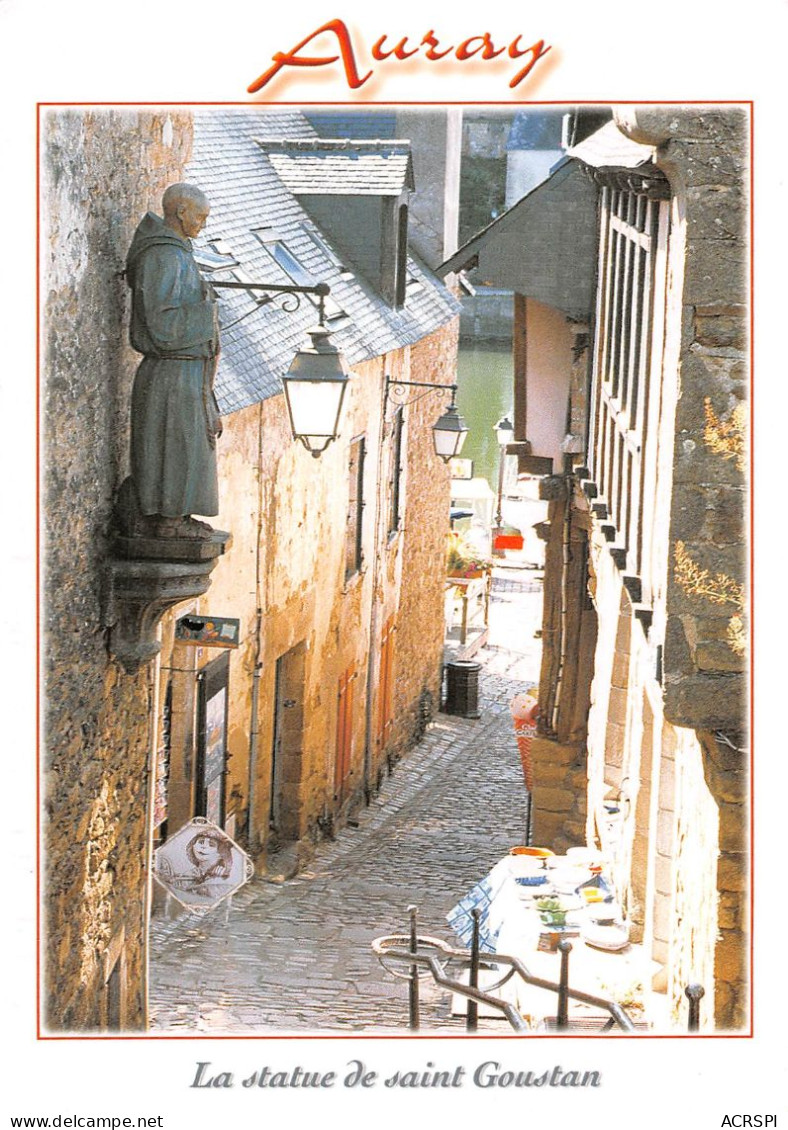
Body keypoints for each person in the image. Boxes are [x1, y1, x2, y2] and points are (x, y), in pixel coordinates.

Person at [124, 183, 222, 539]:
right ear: (181, 212)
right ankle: (168, 521)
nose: (203, 224)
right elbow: (162, 325)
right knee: (176, 445)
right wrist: (208, 311)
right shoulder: (163, 256)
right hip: (172, 372)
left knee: (186, 444)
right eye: (200, 216)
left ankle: (176, 516)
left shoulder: (178, 252)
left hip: (184, 372)